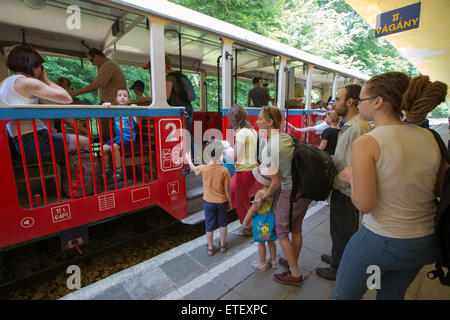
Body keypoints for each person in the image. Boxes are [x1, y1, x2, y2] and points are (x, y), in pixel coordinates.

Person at [333, 72, 448, 300]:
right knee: (390, 295)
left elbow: (364, 204)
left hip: (380, 241)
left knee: (344, 296)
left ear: (377, 102)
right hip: (423, 244)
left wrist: (352, 178)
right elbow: (438, 190)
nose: (358, 105)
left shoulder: (367, 142)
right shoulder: (430, 137)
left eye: (361, 100)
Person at [315, 84, 372, 281]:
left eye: (337, 99)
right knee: (338, 229)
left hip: (347, 191)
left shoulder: (358, 128)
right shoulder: (350, 126)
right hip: (342, 188)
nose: (333, 103)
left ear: (350, 102)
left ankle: (340, 269)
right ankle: (337, 257)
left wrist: (331, 180)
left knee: (344, 230)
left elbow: (354, 167)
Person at [255, 106, 312, 286]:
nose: (257, 122)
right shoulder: (286, 136)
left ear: (270, 122)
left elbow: (276, 183)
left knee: (280, 231)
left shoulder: (271, 146)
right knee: (296, 228)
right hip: (304, 190)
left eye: (260, 119)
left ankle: (295, 274)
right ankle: (291, 259)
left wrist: (263, 197)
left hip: (290, 192)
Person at [0, 45, 89, 159]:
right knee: (85, 142)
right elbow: (67, 98)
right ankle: (86, 175)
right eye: (39, 66)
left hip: (17, 140)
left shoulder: (5, 82)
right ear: (32, 66)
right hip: (33, 140)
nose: (41, 70)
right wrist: (46, 80)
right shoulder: (26, 82)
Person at [185, 140, 232, 256]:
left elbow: (193, 169)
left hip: (209, 202)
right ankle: (222, 245)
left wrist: (189, 160)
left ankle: (210, 247)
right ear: (221, 154)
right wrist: (230, 202)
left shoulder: (203, 168)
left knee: (209, 225)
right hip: (222, 201)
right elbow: (227, 190)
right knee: (223, 223)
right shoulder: (224, 171)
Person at [225, 105, 262, 236]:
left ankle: (247, 227)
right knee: (231, 190)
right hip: (251, 170)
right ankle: (233, 213)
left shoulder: (241, 133)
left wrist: (225, 150)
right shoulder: (252, 131)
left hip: (243, 171)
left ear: (234, 119)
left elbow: (235, 156)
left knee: (242, 202)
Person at [243, 165, 278, 271]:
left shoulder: (260, 193)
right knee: (271, 241)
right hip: (272, 219)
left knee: (261, 243)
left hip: (262, 222)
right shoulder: (275, 191)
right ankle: (273, 261)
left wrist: (245, 220)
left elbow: (253, 208)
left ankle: (262, 263)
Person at [101, 88, 137, 182]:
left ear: (128, 99)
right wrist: (106, 105)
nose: (122, 97)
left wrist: (136, 111)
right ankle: (107, 169)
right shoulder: (114, 109)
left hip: (128, 137)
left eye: (125, 96)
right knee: (103, 148)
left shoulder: (130, 110)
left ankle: (119, 171)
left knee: (114, 147)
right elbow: (106, 113)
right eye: (120, 95)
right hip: (118, 137)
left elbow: (138, 122)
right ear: (116, 99)